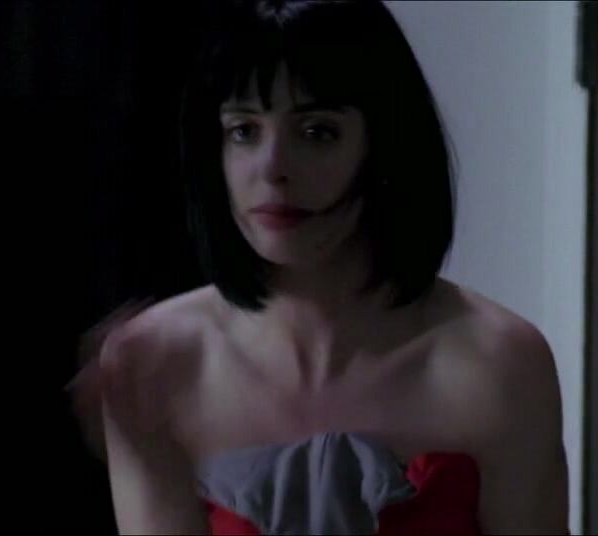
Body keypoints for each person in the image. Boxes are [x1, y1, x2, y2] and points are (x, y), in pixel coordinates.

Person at [71, 1, 568, 533]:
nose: (272, 168)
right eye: (244, 130)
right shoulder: (155, 362)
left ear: (385, 143)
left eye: (317, 132)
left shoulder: (499, 363)